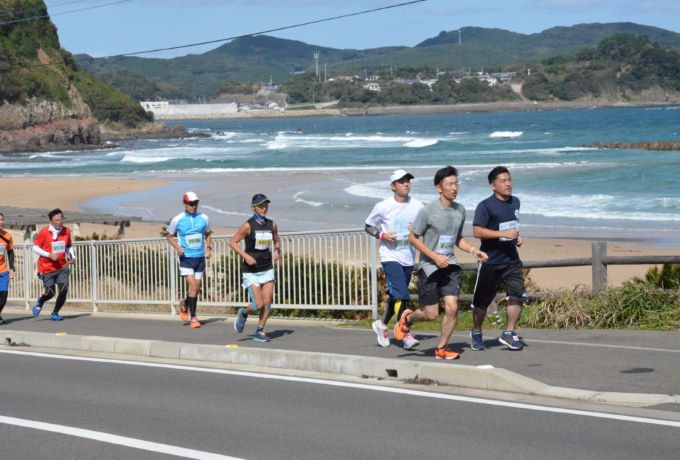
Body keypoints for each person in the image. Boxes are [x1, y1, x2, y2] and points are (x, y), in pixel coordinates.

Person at [397, 166, 488, 360]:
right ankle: (408, 318)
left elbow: (457, 238)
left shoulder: (460, 210)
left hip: (450, 266)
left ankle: (441, 348)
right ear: (439, 188)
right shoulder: (427, 211)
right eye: (450, 184)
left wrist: (473, 250)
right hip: (429, 267)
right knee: (431, 314)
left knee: (452, 307)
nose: (454, 188)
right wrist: (435, 256)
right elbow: (413, 238)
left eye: (456, 184)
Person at [365, 169, 423, 349]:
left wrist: (418, 230)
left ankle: (381, 325)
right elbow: (368, 226)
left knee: (396, 295)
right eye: (401, 181)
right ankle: (405, 334)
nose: (406, 184)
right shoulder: (383, 206)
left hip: (408, 256)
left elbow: (423, 228)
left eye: (408, 181)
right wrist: (382, 235)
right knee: (403, 296)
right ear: (393, 186)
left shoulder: (418, 205)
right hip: (390, 256)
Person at [471, 166, 527, 351]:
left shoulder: (516, 202)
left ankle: (509, 333)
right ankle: (477, 332)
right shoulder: (485, 206)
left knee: (518, 294)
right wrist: (502, 233)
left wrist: (516, 237)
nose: (508, 184)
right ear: (492, 185)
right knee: (481, 303)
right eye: (503, 181)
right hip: (491, 260)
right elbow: (477, 231)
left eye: (509, 180)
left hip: (511, 259)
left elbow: (512, 227)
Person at [230, 193, 280, 342]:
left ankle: (259, 331)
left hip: (267, 268)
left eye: (266, 205)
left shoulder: (272, 224)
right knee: (258, 305)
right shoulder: (247, 225)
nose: (264, 208)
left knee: (268, 303)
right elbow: (232, 242)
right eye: (260, 206)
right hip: (251, 271)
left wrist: (277, 251)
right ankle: (244, 313)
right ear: (253, 208)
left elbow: (277, 241)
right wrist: (245, 255)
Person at [166, 191, 212, 329]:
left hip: (199, 258)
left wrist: (208, 247)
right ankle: (194, 318)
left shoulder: (204, 218)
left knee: (196, 288)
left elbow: (208, 233)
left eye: (196, 203)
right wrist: (177, 248)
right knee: (193, 286)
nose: (194, 206)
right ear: (184, 204)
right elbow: (169, 236)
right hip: (186, 258)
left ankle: (185, 304)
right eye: (191, 204)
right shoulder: (177, 219)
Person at [32, 209, 76, 321]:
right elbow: (35, 247)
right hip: (47, 268)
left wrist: (71, 255)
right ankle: (41, 300)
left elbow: (68, 245)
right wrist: (49, 255)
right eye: (56, 220)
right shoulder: (44, 232)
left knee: (64, 289)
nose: (59, 222)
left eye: (61, 219)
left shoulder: (66, 231)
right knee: (50, 293)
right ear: (51, 221)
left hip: (62, 266)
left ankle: (55, 313)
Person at [0, 213, 15, 325]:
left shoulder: (7, 236)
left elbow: (10, 252)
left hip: (3, 270)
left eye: (2, 220)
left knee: (3, 297)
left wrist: (12, 267)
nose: (1, 222)